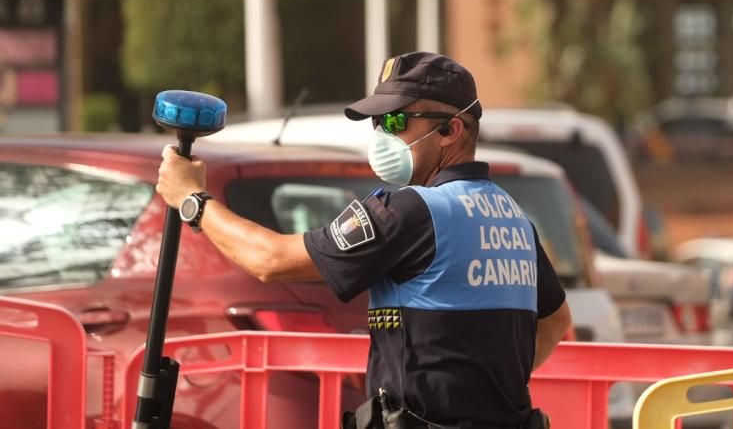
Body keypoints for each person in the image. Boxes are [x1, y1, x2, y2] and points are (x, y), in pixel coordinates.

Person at [156, 52, 573, 429]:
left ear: (450, 130)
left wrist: (193, 200)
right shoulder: (514, 218)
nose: (381, 135)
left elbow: (271, 260)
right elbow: (555, 322)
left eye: (395, 121)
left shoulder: (410, 211)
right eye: (377, 122)